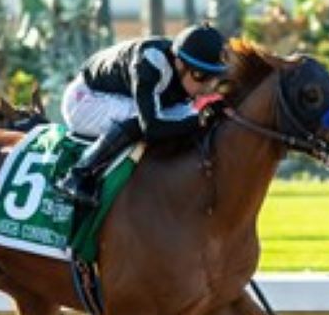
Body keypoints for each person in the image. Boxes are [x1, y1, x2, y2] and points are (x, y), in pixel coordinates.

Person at [56, 22, 228, 208]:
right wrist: (201, 120)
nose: (208, 86)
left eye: (214, 77)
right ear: (179, 63)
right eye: (201, 75)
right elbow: (151, 128)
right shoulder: (151, 62)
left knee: (186, 116)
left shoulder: (184, 66)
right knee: (142, 118)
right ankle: (79, 174)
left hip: (120, 96)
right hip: (85, 98)